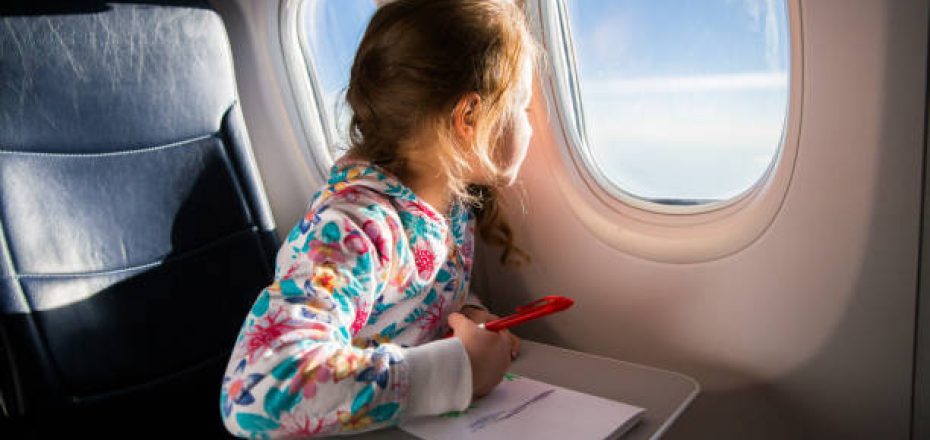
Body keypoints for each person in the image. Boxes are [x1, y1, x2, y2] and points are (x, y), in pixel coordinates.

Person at [221, 0, 539, 437]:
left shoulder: (449, 207)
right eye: (522, 105)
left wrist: (466, 314)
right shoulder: (355, 229)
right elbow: (257, 390)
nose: (530, 122)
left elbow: (414, 304)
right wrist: (456, 372)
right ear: (469, 117)